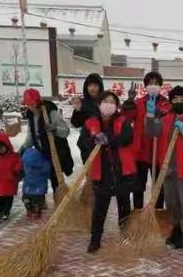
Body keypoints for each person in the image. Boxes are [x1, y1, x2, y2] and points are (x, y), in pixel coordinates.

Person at [145, 85, 183, 249]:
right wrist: (150, 115)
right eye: (175, 99)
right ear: (171, 101)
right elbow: (151, 132)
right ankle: (176, 229)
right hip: (168, 168)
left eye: (182, 99)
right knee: (171, 202)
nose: (179, 102)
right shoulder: (165, 120)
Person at [82, 92, 137, 253]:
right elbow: (83, 143)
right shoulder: (91, 123)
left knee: (124, 206)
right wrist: (94, 139)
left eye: (112, 102)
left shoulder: (122, 121)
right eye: (105, 101)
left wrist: (108, 140)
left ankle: (126, 235)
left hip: (122, 171)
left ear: (116, 105)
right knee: (99, 208)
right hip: (102, 172)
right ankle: (95, 239)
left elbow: (127, 138)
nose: (108, 105)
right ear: (99, 105)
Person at [126, 72, 171, 210]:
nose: (153, 86)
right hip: (141, 151)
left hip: (158, 151)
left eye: (156, 83)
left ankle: (157, 212)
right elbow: (127, 118)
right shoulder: (138, 103)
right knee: (138, 186)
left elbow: (167, 116)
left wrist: (157, 111)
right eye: (150, 83)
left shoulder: (166, 103)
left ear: (161, 86)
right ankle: (138, 212)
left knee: (159, 186)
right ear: (145, 86)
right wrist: (129, 102)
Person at [19, 88, 73, 196]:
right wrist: (22, 150)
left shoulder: (51, 112)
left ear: (38, 101)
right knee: (37, 177)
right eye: (27, 104)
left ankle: (59, 201)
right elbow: (31, 136)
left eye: (32, 103)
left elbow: (66, 131)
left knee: (56, 180)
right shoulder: (31, 115)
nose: (30, 106)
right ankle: (38, 202)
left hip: (56, 152)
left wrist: (55, 129)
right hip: (42, 153)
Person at [0, 131, 22, 224]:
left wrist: (16, 170)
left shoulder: (14, 156)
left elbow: (19, 163)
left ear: (7, 146)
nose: (1, 150)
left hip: (10, 181)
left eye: (2, 147)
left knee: (9, 198)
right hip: (0, 182)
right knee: (0, 198)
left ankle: (6, 212)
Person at [70, 73, 105, 163]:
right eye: (90, 85)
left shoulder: (105, 101)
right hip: (86, 144)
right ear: (86, 87)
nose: (92, 88)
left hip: (103, 143)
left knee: (104, 173)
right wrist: (78, 111)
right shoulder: (82, 102)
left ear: (100, 87)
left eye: (95, 85)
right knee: (90, 172)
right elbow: (76, 123)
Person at [21, 148, 52, 221]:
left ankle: (29, 209)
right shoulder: (44, 163)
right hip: (39, 188)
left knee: (26, 199)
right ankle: (37, 211)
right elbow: (48, 174)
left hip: (27, 188)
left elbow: (21, 172)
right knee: (38, 201)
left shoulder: (26, 164)